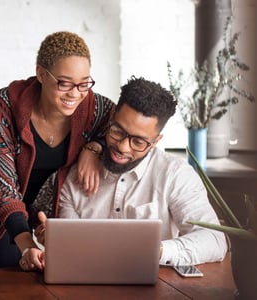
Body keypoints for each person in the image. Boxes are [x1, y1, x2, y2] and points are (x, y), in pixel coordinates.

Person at [0, 31, 115, 275]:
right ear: (41, 73)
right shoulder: (2, 106)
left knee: (14, 281)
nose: (75, 93)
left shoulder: (97, 109)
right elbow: (3, 186)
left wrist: (94, 148)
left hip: (21, 207)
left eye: (84, 83)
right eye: (64, 82)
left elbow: (119, 130)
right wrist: (27, 244)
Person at [36, 76, 228, 266]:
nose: (123, 147)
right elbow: (74, 250)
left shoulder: (175, 175)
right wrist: (58, 241)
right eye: (118, 131)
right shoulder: (76, 177)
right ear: (110, 120)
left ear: (155, 142)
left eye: (138, 141)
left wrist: (156, 250)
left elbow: (214, 240)